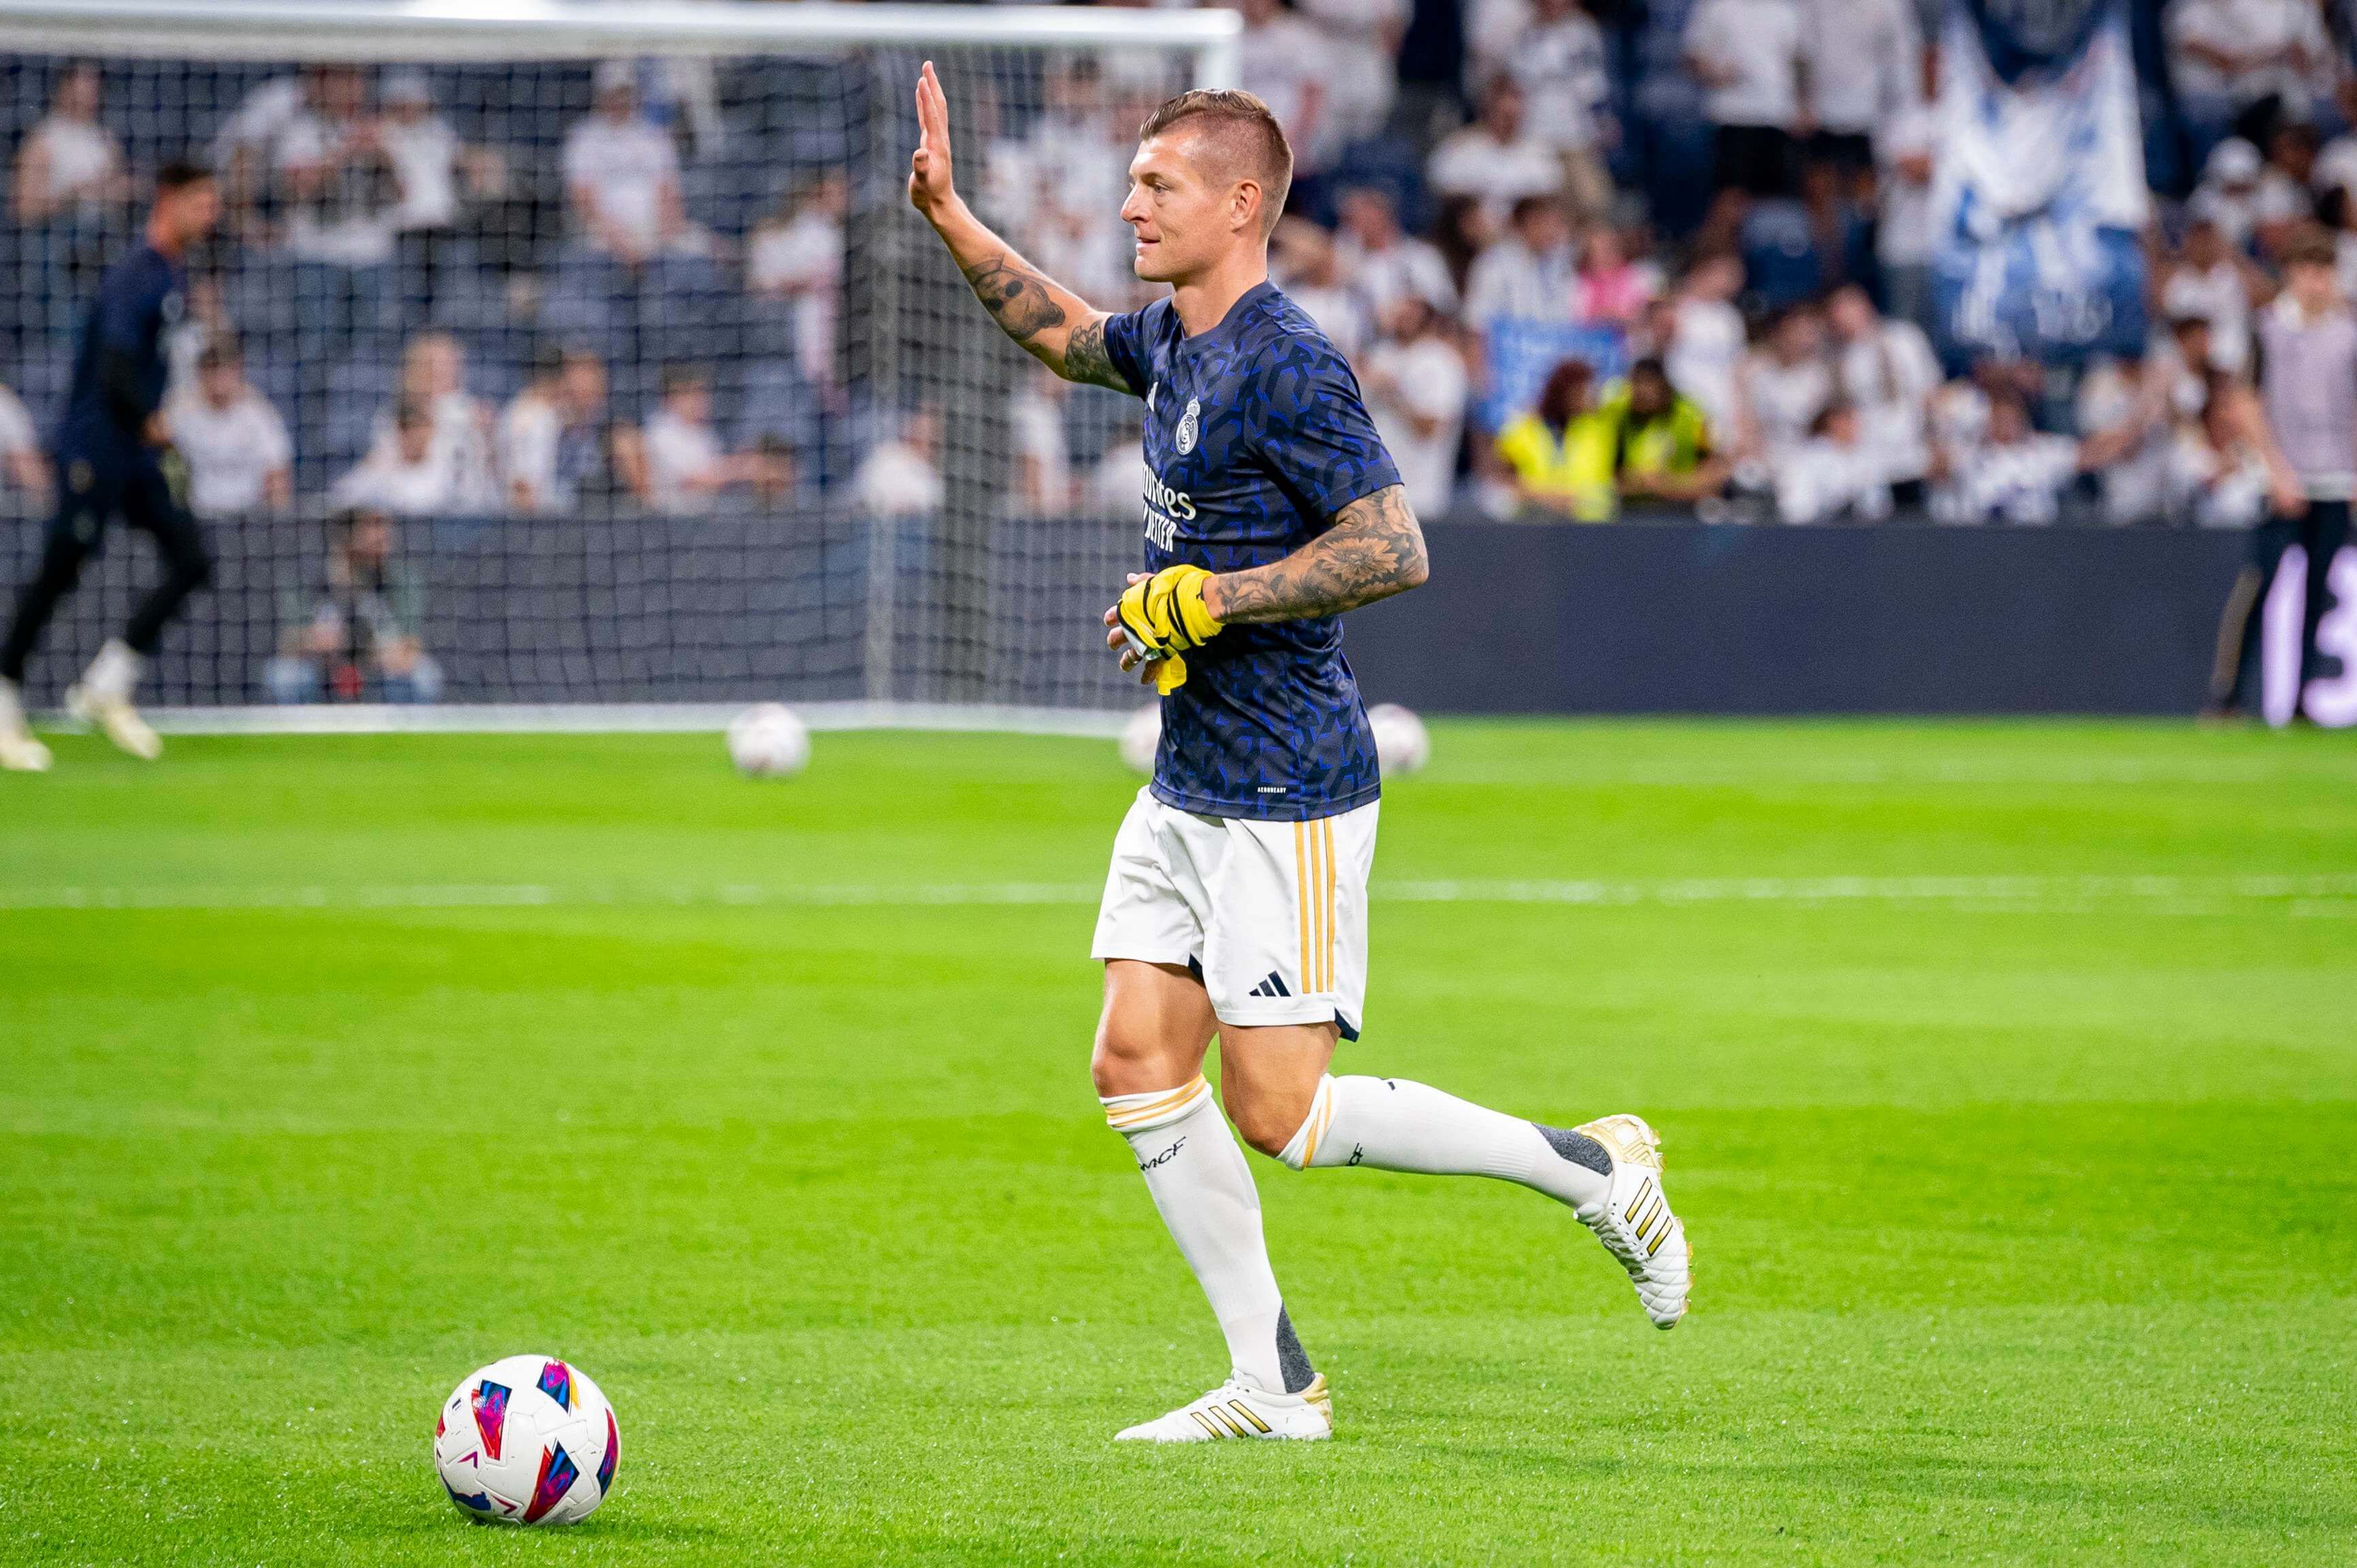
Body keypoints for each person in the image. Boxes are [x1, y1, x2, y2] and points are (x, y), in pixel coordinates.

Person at [908, 66, 1690, 1439]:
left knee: (1284, 1113)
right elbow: (1070, 336)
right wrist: (952, 215)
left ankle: (1590, 1168)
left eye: (1159, 184)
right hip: (1189, 775)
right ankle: (1271, 1382)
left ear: (1242, 204)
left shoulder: (1285, 358)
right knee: (1135, 1058)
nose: (1130, 201)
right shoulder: (1177, 341)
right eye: (1135, 180)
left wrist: (1215, 595)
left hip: (1287, 785)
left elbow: (1395, 544)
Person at [1, 161, 222, 772]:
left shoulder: (174, 275)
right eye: (203, 202)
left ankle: (107, 684)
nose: (212, 214)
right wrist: (153, 422)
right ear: (168, 199)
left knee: (193, 559)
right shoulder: (136, 276)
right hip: (97, 448)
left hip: (137, 454)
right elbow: (114, 369)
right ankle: (4, 699)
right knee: (60, 572)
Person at [2207, 227, 2357, 718]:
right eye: (2309, 272)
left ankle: (2299, 701)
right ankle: (2227, 695)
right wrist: (2276, 472)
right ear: (2292, 275)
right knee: (2261, 580)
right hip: (2281, 477)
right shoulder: (2266, 328)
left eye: (2324, 273)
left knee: (2318, 589)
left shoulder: (2347, 334)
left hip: (2334, 475)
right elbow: (2246, 401)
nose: (2317, 284)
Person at [263, 505, 441, 704]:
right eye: (372, 525)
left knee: (424, 674)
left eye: (385, 526)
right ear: (347, 533)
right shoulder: (308, 576)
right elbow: (289, 642)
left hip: (379, 670)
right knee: (284, 676)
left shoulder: (401, 579)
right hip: (321, 669)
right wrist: (317, 642)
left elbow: (411, 645)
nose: (384, 535)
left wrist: (376, 649)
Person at [1361, 295, 1470, 517]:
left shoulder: (1439, 362)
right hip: (1371, 493)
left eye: (1409, 315)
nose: (1401, 319)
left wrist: (1392, 392)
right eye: (1398, 313)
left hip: (1418, 496)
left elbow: (1429, 429)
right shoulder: (1382, 356)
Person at [166, 339, 293, 519]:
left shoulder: (258, 414)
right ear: (201, 373)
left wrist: (275, 522)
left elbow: (278, 473)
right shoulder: (183, 413)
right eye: (212, 370)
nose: (219, 378)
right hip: (199, 519)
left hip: (249, 519)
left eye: (225, 370)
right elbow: (162, 452)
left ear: (237, 371)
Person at [1425, 76, 1565, 233]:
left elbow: (1547, 204)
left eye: (1514, 116)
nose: (1509, 123)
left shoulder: (1541, 152)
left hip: (1524, 241)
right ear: (1487, 109)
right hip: (1471, 243)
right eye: (1504, 115)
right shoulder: (1459, 150)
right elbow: (1447, 200)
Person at [1493, 357, 1618, 519]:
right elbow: (1503, 479)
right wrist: (1545, 497)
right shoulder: (1525, 428)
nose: (1587, 397)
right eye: (1580, 391)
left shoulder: (1601, 428)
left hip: (1590, 528)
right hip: (1538, 526)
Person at [11, 61, 129, 227]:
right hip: (58, 237)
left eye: (94, 81)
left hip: (105, 236)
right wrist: (72, 197)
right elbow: (24, 208)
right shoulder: (43, 140)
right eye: (85, 81)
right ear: (65, 87)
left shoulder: (107, 139)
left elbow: (121, 190)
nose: (91, 89)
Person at [1604, 357, 1729, 506]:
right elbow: (1607, 473)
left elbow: (1716, 473)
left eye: (1648, 382)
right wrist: (1636, 481)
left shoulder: (1692, 417)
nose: (1642, 391)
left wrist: (1669, 484)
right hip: (1632, 510)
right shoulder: (1619, 415)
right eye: (1636, 383)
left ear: (1664, 384)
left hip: (1681, 509)